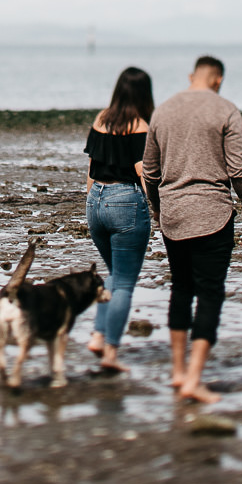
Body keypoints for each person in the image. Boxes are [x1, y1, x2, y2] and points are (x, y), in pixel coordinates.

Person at [141, 55, 242, 403]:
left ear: (192, 76)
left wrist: (160, 210)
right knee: (209, 294)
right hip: (213, 214)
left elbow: (150, 171)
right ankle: (194, 379)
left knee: (181, 289)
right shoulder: (225, 110)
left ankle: (177, 373)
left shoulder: (163, 110)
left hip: (174, 216)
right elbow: (238, 170)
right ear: (218, 79)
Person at [82, 66, 154, 375]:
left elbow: (90, 167)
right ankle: (110, 351)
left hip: (95, 199)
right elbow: (144, 174)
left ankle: (98, 335)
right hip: (126, 200)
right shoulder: (142, 126)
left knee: (114, 274)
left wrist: (91, 203)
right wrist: (158, 210)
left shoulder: (101, 119)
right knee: (124, 282)